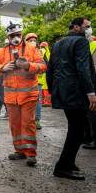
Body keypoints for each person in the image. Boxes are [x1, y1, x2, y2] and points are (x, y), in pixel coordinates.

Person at [0, 22, 46, 167]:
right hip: (10, 96)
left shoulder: (32, 49)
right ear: (8, 36)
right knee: (15, 125)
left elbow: (43, 66)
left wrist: (28, 66)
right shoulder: (2, 52)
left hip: (29, 95)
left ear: (22, 35)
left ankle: (31, 154)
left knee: (28, 124)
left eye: (18, 35)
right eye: (12, 35)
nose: (15, 38)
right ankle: (19, 150)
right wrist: (3, 68)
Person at [48, 17, 96, 180]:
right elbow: (83, 69)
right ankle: (62, 167)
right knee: (78, 129)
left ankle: (68, 163)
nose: (89, 29)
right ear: (76, 27)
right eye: (87, 26)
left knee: (75, 127)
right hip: (77, 92)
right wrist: (91, 92)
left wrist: (53, 90)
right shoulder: (81, 42)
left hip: (63, 91)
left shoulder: (58, 43)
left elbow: (50, 70)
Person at [25, 33, 43, 130]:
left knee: (37, 101)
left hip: (38, 80)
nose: (33, 42)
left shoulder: (40, 51)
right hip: (26, 81)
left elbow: (45, 65)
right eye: (30, 40)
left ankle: (36, 120)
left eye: (34, 40)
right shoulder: (23, 52)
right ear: (26, 42)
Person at [83, 34, 96, 150]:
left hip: (92, 83)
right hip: (90, 82)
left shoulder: (91, 46)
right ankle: (89, 137)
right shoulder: (90, 45)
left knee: (92, 112)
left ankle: (92, 139)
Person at [39, 42, 52, 106]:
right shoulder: (47, 53)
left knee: (42, 88)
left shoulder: (40, 51)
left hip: (42, 73)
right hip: (46, 73)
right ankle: (47, 102)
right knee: (46, 88)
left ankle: (44, 101)